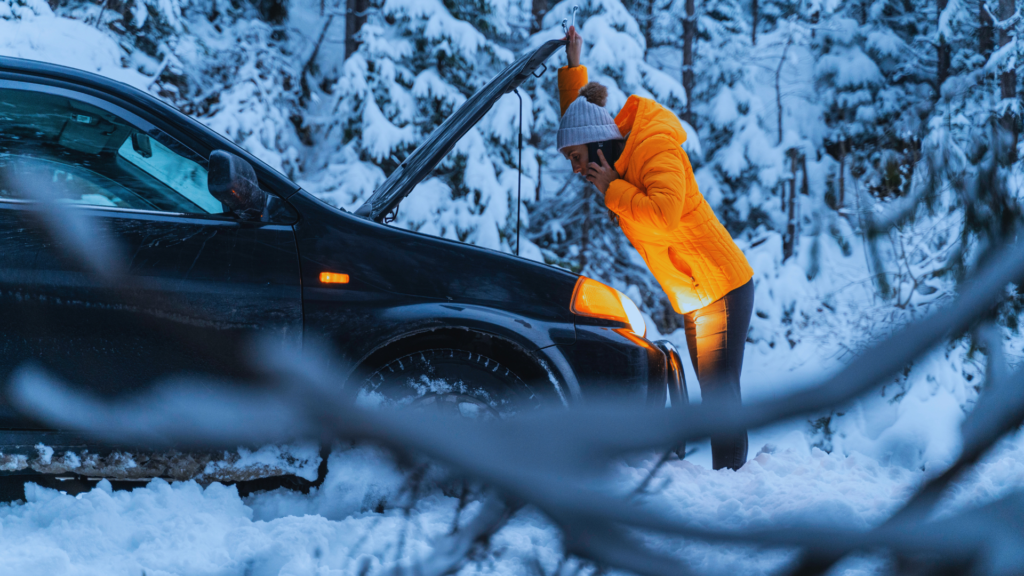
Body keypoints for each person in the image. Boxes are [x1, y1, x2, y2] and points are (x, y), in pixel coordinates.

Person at [557, 27, 755, 471]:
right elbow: (577, 119)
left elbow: (664, 214)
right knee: (714, 393)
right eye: (572, 160)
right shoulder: (609, 160)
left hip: (720, 285)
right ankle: (729, 480)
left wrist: (612, 190)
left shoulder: (653, 148)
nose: (575, 169)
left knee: (720, 395)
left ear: (597, 145)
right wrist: (574, 69)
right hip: (696, 292)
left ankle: (733, 485)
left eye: (576, 159)